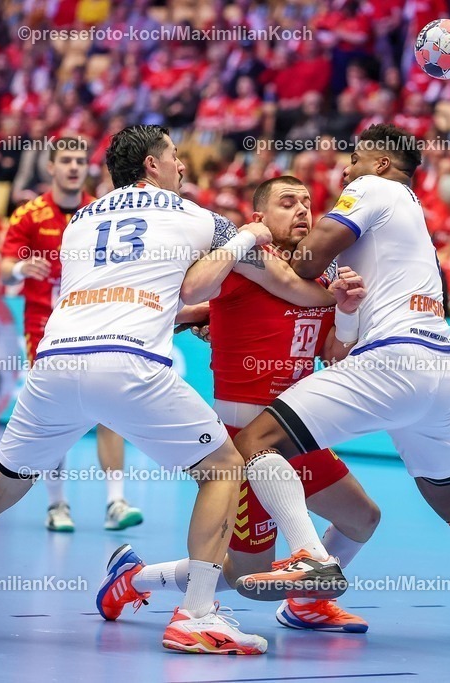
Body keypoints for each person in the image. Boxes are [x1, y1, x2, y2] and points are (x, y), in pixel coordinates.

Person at [0, 124, 340, 655]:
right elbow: (276, 283)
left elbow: (138, 285)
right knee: (223, 468)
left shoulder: (80, 221)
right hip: (127, 362)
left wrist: (195, 314)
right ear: (152, 165)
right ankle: (197, 615)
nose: (182, 165)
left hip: (55, 362)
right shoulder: (197, 217)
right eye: (174, 156)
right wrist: (269, 250)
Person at [227, 124, 450, 641]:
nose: (344, 170)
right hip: (439, 368)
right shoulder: (407, 225)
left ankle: (308, 562)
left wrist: (254, 254)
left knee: (256, 441)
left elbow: (307, 259)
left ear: (380, 164)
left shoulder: (376, 189)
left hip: (391, 361)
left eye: (352, 159)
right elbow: (339, 345)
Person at [97, 176, 378, 634]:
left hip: (296, 432)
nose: (303, 211)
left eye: (308, 203)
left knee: (363, 519)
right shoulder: (241, 265)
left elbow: (334, 351)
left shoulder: (322, 277)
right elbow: (184, 295)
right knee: (247, 576)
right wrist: (199, 318)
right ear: (258, 219)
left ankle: (307, 603)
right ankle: (134, 577)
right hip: (246, 441)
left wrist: (347, 309)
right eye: (288, 203)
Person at [0, 137, 143, 533]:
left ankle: (116, 500)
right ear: (51, 167)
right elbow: (3, 268)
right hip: (45, 330)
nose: (75, 167)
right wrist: (19, 270)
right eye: (66, 160)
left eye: (81, 160)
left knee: (110, 408)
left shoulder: (99, 212)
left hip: (97, 324)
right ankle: (57, 504)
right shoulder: (28, 215)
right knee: (53, 414)